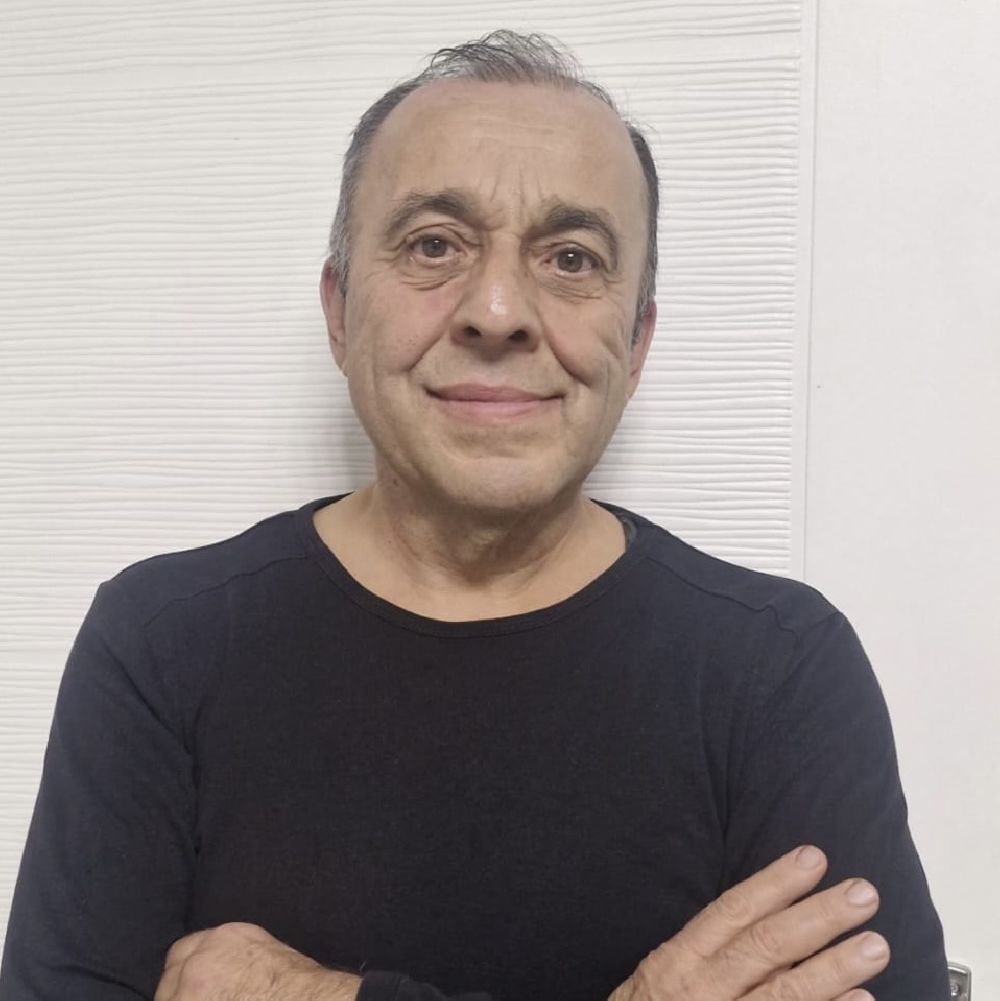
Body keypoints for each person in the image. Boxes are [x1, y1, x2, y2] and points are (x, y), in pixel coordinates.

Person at [0, 30, 948, 1001]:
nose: (496, 311)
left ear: (636, 341)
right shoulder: (162, 644)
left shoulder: (780, 672)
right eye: (434, 246)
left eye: (571, 257)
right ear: (339, 310)